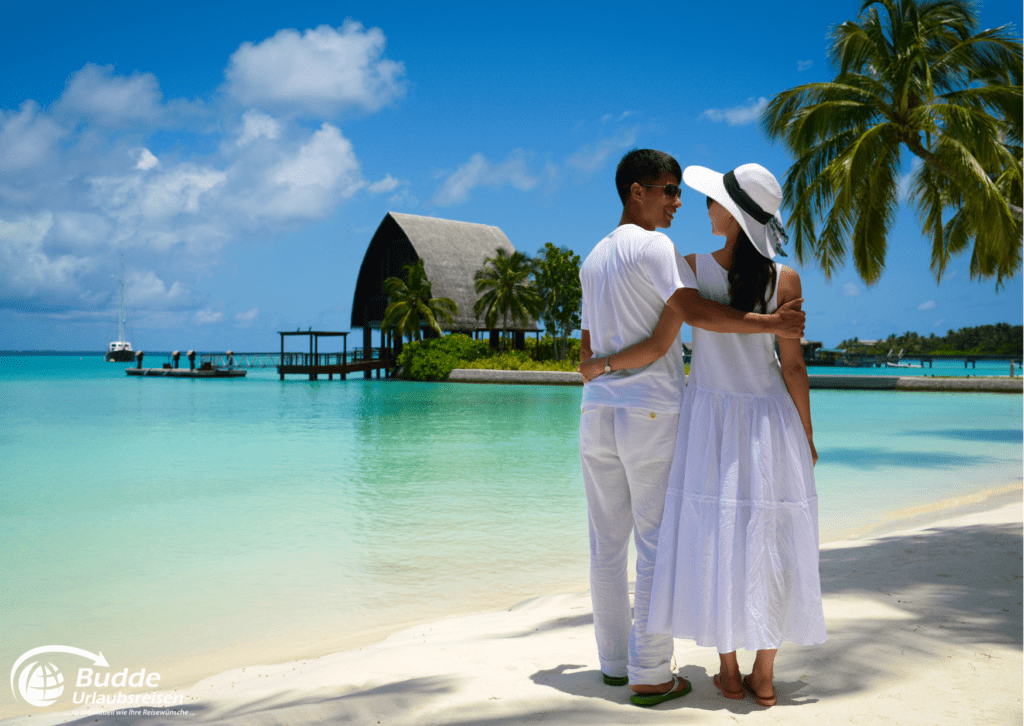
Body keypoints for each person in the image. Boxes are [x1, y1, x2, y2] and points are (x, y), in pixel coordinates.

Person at [581, 162, 826, 708]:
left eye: (712, 201)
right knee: (768, 539)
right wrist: (807, 434)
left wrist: (601, 366)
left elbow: (666, 331)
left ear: (734, 216)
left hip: (703, 422)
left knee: (715, 535)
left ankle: (719, 670)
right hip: (768, 419)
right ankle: (762, 675)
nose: (697, 206)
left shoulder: (687, 266)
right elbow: (793, 369)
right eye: (678, 194)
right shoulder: (785, 279)